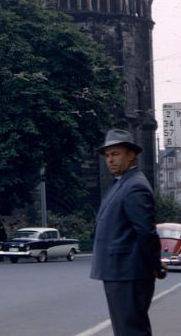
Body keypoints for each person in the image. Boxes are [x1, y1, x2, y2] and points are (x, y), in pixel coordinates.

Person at [90, 129, 165, 336]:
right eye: (107, 156)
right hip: (119, 271)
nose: (110, 160)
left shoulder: (135, 186)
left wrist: (154, 266)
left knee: (131, 330)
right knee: (125, 329)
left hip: (129, 271)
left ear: (131, 155)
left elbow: (146, 232)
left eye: (116, 154)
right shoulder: (122, 183)